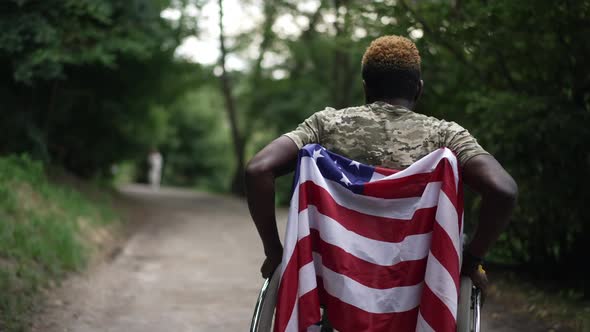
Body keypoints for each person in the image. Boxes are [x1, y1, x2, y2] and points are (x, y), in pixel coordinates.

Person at [245, 35, 517, 300]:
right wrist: (471, 260)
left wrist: (275, 252)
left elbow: (258, 170)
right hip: (417, 280)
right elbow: (503, 190)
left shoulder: (324, 126)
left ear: (366, 87)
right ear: (418, 89)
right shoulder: (446, 136)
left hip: (332, 275)